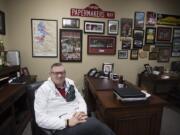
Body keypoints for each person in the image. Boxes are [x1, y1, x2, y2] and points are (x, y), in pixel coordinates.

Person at [34, 63, 116, 135]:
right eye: (56, 73)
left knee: (97, 126)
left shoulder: (70, 83)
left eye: (62, 73)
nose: (59, 75)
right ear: (50, 74)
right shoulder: (43, 90)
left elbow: (80, 100)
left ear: (65, 73)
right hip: (61, 126)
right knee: (97, 126)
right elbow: (40, 119)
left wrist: (81, 112)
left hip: (77, 118)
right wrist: (67, 122)